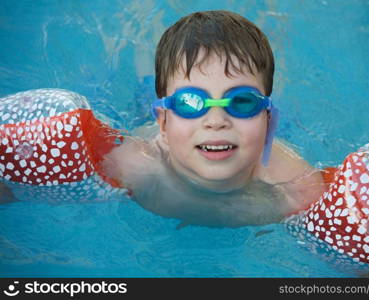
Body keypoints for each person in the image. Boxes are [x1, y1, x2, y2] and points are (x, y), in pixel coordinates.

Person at [101, 10, 327, 228]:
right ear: (163, 123)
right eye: (189, 102)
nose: (216, 120)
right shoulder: (133, 167)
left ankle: (276, 20)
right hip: (145, 114)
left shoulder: (295, 188)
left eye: (241, 100)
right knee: (146, 85)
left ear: (268, 121)